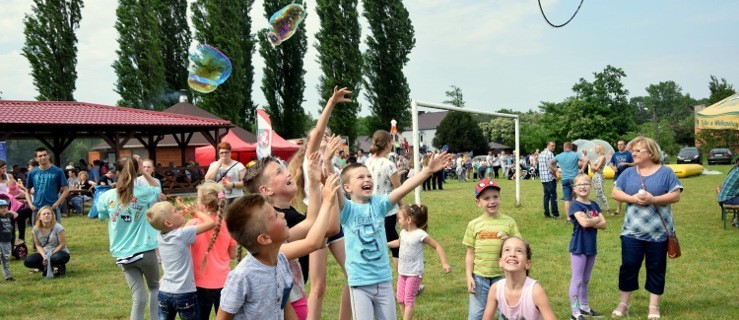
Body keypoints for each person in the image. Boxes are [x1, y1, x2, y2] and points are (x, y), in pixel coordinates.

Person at [337, 151, 452, 320]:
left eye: (369, 176)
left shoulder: (379, 204)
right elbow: (333, 189)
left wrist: (427, 171)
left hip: (383, 280)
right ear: (347, 187)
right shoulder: (347, 210)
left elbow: (404, 188)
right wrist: (325, 163)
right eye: (360, 177)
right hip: (360, 282)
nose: (367, 179)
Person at [217, 173, 340, 320]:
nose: (281, 215)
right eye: (275, 215)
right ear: (265, 238)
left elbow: (284, 305)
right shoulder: (242, 276)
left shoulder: (281, 262)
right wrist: (326, 203)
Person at [246, 152, 342, 320]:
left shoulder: (285, 215)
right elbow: (321, 231)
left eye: (283, 169)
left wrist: (317, 186)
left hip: (292, 298)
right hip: (282, 303)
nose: (287, 172)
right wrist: (323, 192)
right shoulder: (278, 222)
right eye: (279, 172)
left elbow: (318, 228)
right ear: (266, 190)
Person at [287, 86, 353, 320]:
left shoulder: (328, 162)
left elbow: (338, 198)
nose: (326, 135)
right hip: (318, 226)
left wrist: (329, 164)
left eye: (328, 134)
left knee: (354, 275)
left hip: (334, 225)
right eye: (322, 134)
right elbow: (317, 132)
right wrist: (332, 103)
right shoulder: (310, 158)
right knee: (318, 286)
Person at [610, 137, 682, 320]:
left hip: (658, 233)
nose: (633, 153)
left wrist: (654, 200)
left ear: (651, 153)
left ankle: (653, 306)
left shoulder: (666, 173)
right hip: (631, 232)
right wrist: (634, 199)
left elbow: (675, 196)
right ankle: (623, 303)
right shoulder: (628, 173)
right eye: (633, 150)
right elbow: (615, 192)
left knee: (656, 267)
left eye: (638, 151)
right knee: (628, 266)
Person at [96, 156, 162, 320]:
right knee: (154, 288)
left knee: (137, 298)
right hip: (145, 250)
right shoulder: (143, 193)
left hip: (122, 254)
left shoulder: (107, 196)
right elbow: (156, 188)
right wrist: (144, 173)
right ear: (136, 171)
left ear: (117, 173)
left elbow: (101, 216)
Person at [146, 199, 216, 320]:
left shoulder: (160, 235)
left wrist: (182, 211)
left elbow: (173, 225)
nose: (179, 212)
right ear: (168, 222)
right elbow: (211, 223)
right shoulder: (182, 234)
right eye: (175, 211)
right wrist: (197, 212)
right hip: (184, 293)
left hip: (164, 292)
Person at [464, 178, 522, 320]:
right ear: (478, 202)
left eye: (495, 197)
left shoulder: (509, 222)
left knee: (505, 313)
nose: (492, 201)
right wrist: (468, 275)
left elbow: (519, 246)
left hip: (504, 275)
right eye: (486, 198)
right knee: (477, 314)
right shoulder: (474, 225)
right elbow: (470, 253)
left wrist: (508, 242)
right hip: (480, 277)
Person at [387, 204, 452, 320]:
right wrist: (384, 245)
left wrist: (444, 263)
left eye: (399, 218)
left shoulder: (420, 234)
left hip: (414, 273)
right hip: (402, 272)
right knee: (400, 298)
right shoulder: (403, 233)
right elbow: (398, 243)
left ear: (409, 220)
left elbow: (437, 246)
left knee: (408, 299)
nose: (398, 221)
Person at [186, 181, 237, 320]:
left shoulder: (193, 225)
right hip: (224, 282)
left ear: (203, 204)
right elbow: (233, 254)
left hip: (200, 283)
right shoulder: (228, 225)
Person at [482, 237, 556, 320]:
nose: (512, 254)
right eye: (507, 250)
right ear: (500, 262)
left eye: (519, 251)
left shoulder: (535, 291)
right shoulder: (495, 289)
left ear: (527, 264)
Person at [568, 174, 607, 320]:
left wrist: (591, 219)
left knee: (586, 279)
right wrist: (595, 219)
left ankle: (584, 307)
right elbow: (584, 223)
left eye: (586, 184)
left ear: (591, 187)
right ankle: (575, 311)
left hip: (591, 246)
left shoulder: (594, 205)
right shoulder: (575, 205)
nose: (583, 187)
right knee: (577, 280)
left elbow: (604, 224)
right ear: (575, 188)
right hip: (578, 246)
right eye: (579, 185)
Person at [365, 130, 403, 269]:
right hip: (387, 211)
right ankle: (402, 283)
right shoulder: (388, 164)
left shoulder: (367, 162)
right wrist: (403, 208)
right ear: (387, 144)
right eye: (391, 141)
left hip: (369, 209)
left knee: (374, 243)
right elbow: (398, 190)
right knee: (395, 245)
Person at [24, 205, 70, 277]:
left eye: (49, 213)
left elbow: (62, 244)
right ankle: (46, 268)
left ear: (52, 215)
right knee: (28, 261)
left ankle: (60, 267)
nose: (46, 215)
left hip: (59, 252)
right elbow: (38, 245)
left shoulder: (58, 227)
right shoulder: (36, 229)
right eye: (44, 214)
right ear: (39, 216)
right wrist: (44, 256)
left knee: (55, 258)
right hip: (45, 252)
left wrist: (50, 254)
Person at [25, 147, 69, 223]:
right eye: (40, 156)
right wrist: (30, 205)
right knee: (37, 233)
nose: (43, 157)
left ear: (48, 156)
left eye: (45, 155)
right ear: (36, 158)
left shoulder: (58, 171)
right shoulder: (32, 173)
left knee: (55, 233)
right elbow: (27, 191)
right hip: (37, 208)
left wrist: (57, 204)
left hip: (52, 208)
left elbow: (66, 189)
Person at [549, 142, 580, 220]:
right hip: (574, 179)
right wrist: (582, 169)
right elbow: (586, 160)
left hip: (564, 179)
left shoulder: (559, 156)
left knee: (567, 199)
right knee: (575, 197)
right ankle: (576, 215)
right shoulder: (576, 154)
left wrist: (556, 170)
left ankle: (568, 217)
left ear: (564, 147)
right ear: (571, 147)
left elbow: (549, 163)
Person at [609, 140, 634, 215]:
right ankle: (617, 210)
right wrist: (613, 168)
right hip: (618, 176)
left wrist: (626, 163)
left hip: (628, 176)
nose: (619, 146)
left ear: (625, 145)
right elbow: (611, 163)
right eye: (618, 145)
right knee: (618, 192)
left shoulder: (629, 154)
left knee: (628, 192)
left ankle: (630, 208)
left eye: (621, 145)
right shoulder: (615, 154)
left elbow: (635, 164)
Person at [538, 141, 560, 219]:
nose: (553, 147)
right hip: (550, 178)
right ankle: (555, 214)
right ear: (548, 145)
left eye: (554, 146)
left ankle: (546, 213)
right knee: (553, 196)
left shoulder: (541, 154)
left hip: (543, 178)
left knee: (546, 196)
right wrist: (556, 176)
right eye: (552, 146)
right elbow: (552, 168)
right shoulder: (550, 154)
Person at [590, 145, 612, 215]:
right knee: (597, 193)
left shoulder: (602, 157)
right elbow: (593, 170)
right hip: (595, 176)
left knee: (601, 192)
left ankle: (607, 208)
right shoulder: (598, 158)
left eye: (596, 149)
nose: (595, 150)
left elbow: (596, 168)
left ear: (599, 149)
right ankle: (599, 207)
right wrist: (592, 167)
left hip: (599, 176)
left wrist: (591, 165)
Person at [0, 199, 18, 281]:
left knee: (6, 260)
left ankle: (7, 276)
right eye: (1, 207)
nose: (4, 209)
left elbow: (16, 214)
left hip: (7, 242)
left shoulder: (9, 216)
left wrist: (8, 211)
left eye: (5, 207)